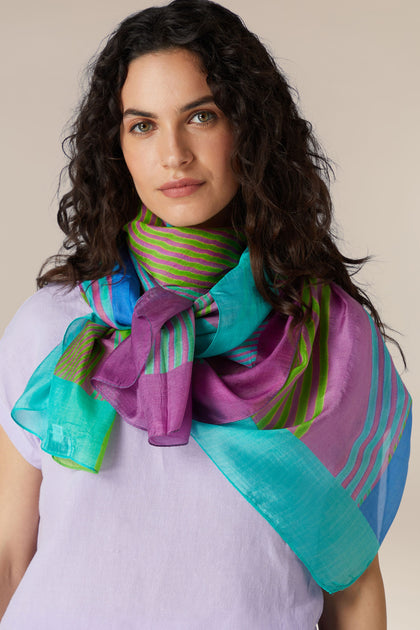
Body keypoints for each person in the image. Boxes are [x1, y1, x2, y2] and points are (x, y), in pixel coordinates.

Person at [0, 0, 411, 628]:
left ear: (248, 130)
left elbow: (353, 590)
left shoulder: (325, 341)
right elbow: (8, 556)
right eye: (142, 125)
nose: (173, 154)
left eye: (201, 115)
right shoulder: (56, 327)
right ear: (118, 148)